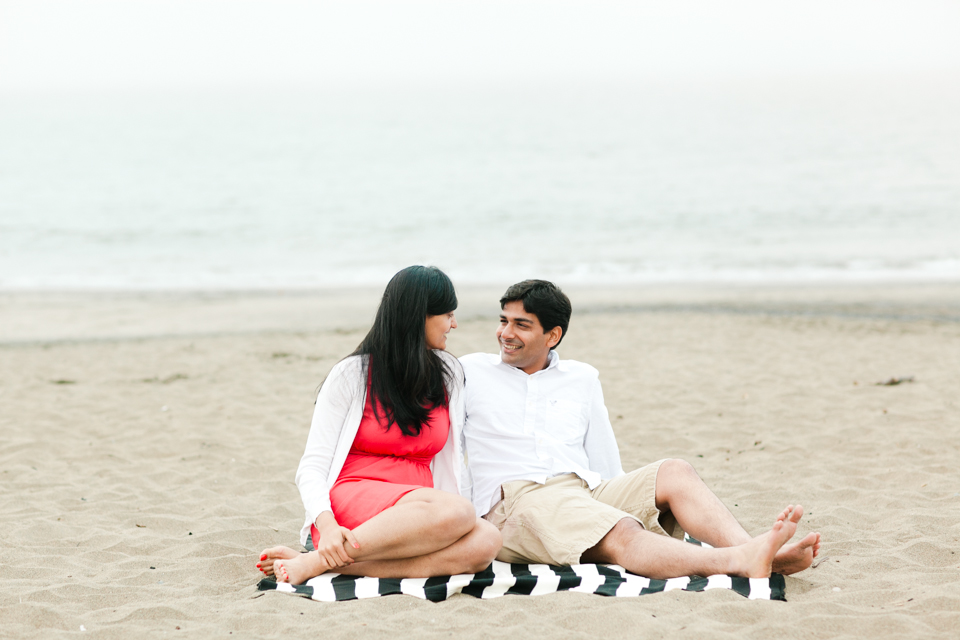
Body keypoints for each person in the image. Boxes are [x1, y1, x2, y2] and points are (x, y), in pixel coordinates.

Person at [459, 279, 821, 579]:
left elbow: (602, 455)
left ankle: (751, 549)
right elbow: (438, 442)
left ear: (552, 335)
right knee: (621, 530)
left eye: (521, 324)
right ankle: (738, 561)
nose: (505, 333)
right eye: (504, 320)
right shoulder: (469, 371)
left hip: (583, 489)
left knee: (675, 471)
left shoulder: (581, 377)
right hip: (518, 501)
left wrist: (619, 497)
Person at [259, 266, 501, 584]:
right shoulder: (351, 374)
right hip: (353, 501)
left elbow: (454, 461)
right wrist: (326, 524)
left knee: (487, 541)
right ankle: (327, 554)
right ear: (419, 316)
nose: (454, 324)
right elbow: (313, 465)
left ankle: (321, 563)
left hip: (418, 511)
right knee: (458, 512)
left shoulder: (448, 374)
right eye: (448, 314)